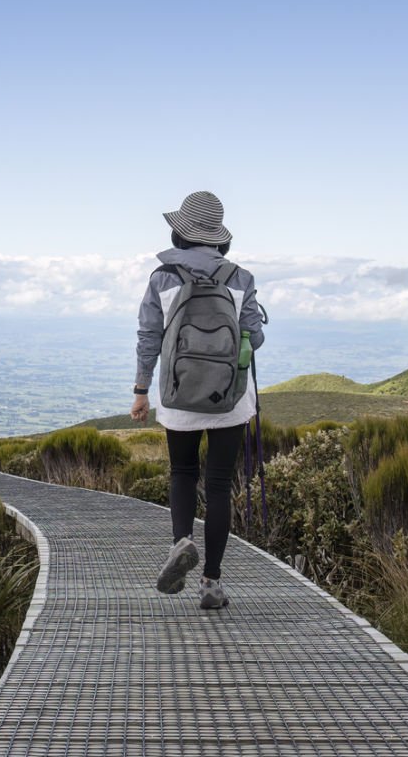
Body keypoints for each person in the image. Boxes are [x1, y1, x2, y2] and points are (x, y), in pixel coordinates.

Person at [130, 190, 266, 610]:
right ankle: (211, 584)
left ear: (181, 232)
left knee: (183, 472)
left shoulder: (162, 278)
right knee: (221, 485)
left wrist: (140, 391)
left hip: (178, 395)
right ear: (218, 236)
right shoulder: (240, 278)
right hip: (231, 397)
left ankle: (181, 543)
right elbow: (254, 339)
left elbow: (149, 337)